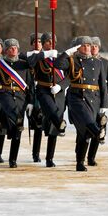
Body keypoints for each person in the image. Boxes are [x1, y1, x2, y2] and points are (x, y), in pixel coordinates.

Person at [54, 36, 108, 171]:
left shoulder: (98, 63)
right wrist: (67, 53)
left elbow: (102, 85)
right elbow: (57, 65)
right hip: (77, 98)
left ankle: (80, 162)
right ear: (78, 48)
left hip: (93, 99)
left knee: (84, 133)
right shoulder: (72, 60)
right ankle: (98, 131)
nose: (87, 48)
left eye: (89, 45)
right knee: (88, 123)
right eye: (83, 45)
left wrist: (104, 104)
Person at [0, 38, 34, 168]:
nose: (13, 50)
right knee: (15, 122)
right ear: (6, 50)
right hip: (5, 96)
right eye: (10, 48)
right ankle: (0, 153)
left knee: (18, 129)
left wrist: (31, 101)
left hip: (21, 98)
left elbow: (30, 85)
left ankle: (12, 159)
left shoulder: (24, 64)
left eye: (15, 47)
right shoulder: (1, 65)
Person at [31, 32, 66, 167]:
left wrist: (61, 86)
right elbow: (31, 63)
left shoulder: (61, 57)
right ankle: (36, 153)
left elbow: (69, 77)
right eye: (47, 42)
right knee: (50, 118)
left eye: (53, 41)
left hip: (58, 93)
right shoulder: (38, 57)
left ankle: (49, 158)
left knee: (54, 129)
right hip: (43, 91)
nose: (50, 44)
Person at [91, 37, 108, 142]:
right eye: (92, 47)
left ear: (99, 48)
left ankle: (101, 135)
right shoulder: (86, 61)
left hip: (102, 94)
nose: (93, 49)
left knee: (101, 119)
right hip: (90, 94)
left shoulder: (105, 62)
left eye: (96, 46)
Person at [24, 33, 44, 162]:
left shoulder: (48, 56)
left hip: (43, 92)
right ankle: (35, 153)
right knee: (35, 124)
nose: (37, 44)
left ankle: (39, 153)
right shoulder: (26, 57)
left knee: (41, 124)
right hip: (29, 92)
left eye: (40, 42)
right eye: (35, 42)